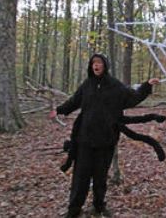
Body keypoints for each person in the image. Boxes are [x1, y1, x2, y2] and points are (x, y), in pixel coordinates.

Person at [49, 53, 159, 217]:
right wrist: (59, 110)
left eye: (99, 62)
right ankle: (73, 210)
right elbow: (74, 101)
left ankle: (99, 207)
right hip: (84, 140)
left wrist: (146, 86)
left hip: (106, 140)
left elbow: (132, 98)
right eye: (93, 63)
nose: (96, 65)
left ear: (105, 65)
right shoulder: (87, 85)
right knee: (80, 178)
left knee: (100, 178)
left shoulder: (115, 86)